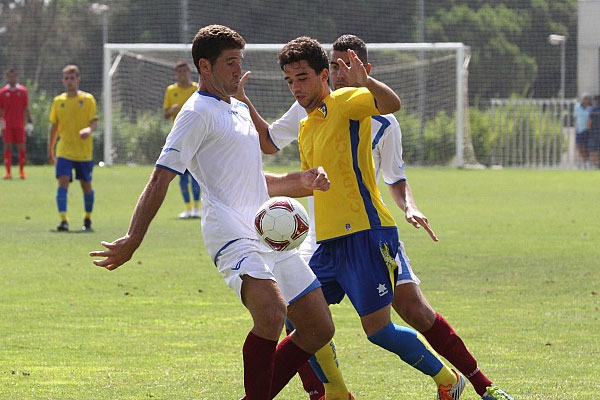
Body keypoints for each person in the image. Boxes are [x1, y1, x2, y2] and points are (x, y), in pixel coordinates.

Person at [239, 34, 514, 400]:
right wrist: (278, 189)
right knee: (296, 313)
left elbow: (391, 103)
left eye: (302, 77)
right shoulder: (306, 126)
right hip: (328, 244)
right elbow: (303, 178)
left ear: (325, 75)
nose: (295, 87)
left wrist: (365, 82)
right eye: (289, 80)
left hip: (366, 234)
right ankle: (328, 392)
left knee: (380, 330)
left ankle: (451, 380)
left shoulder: (346, 101)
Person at [89, 25, 336, 400]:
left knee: (319, 327)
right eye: (231, 63)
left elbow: (255, 178)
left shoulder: (237, 108)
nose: (239, 71)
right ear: (205, 66)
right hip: (230, 232)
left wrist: (303, 180)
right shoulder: (195, 114)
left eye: (240, 62)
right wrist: (133, 239)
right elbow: (160, 179)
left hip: (267, 229)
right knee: (271, 313)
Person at [48, 64, 98, 232]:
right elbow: (54, 126)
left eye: (72, 78)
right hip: (64, 151)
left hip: (84, 152)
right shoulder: (58, 101)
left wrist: (89, 130)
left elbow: (94, 121)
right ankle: (63, 221)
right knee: (62, 182)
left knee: (86, 186)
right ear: (63, 81)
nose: (69, 81)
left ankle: (88, 219)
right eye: (66, 78)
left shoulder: (88, 99)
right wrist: (50, 149)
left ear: (78, 79)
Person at [163, 60, 201, 218]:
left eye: (185, 70)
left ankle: (198, 208)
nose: (182, 73)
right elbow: (165, 115)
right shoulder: (171, 91)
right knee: (182, 176)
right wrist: (171, 110)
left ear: (189, 72)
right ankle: (188, 209)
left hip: (196, 138)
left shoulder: (196, 89)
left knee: (196, 176)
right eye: (180, 71)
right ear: (176, 73)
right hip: (179, 140)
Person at [0, 68, 32, 180]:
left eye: (14, 76)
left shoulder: (23, 91)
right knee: (7, 146)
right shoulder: (3, 92)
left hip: (19, 124)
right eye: (10, 76)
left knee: (21, 146)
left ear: (17, 77)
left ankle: (22, 171)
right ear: (7, 77)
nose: (12, 78)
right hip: (7, 124)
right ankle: (8, 172)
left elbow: (26, 107)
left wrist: (30, 120)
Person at [573, 93, 592, 168]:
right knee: (578, 146)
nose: (586, 100)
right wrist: (575, 126)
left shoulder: (590, 108)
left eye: (587, 99)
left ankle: (586, 163)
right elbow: (575, 117)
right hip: (579, 130)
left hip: (587, 130)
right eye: (584, 98)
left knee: (585, 147)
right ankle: (585, 161)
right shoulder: (577, 106)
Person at [587, 94, 600, 169]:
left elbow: (589, 122)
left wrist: (588, 129)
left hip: (594, 132)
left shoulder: (593, 109)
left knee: (593, 149)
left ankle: (595, 165)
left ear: (595, 101)